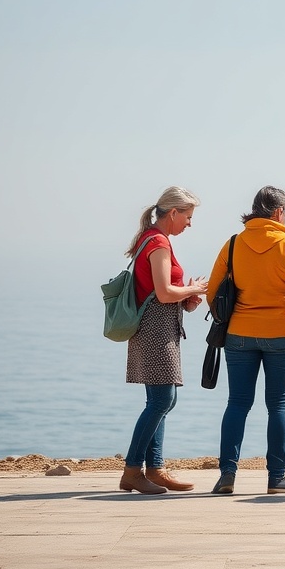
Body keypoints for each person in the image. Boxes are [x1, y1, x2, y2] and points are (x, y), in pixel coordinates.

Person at [207, 185, 285, 496]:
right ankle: (276, 477)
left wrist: (232, 318)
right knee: (279, 404)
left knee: (237, 403)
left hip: (239, 335)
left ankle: (227, 475)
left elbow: (212, 292)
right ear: (278, 212)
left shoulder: (233, 244)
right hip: (281, 336)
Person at [119, 186, 208, 495]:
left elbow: (167, 291)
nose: (190, 223)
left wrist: (188, 297)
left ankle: (155, 469)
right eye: (188, 216)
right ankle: (133, 470)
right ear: (173, 213)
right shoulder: (158, 243)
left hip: (159, 327)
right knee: (161, 400)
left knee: (161, 401)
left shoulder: (155, 240)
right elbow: (163, 292)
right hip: (155, 331)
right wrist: (193, 291)